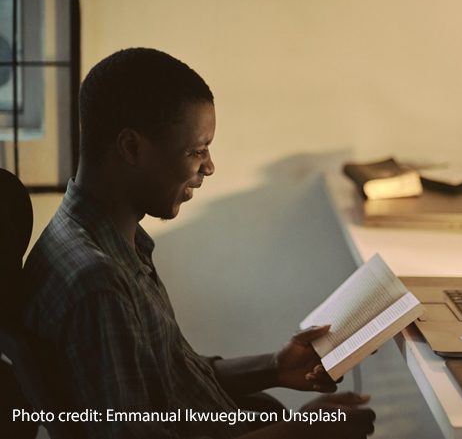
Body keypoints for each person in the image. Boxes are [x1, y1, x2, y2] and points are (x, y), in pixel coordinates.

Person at [20, 48, 375, 439]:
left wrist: (276, 367)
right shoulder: (98, 286)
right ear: (132, 148)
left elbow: (171, 380)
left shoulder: (112, 241)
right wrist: (304, 432)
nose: (208, 167)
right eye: (196, 150)